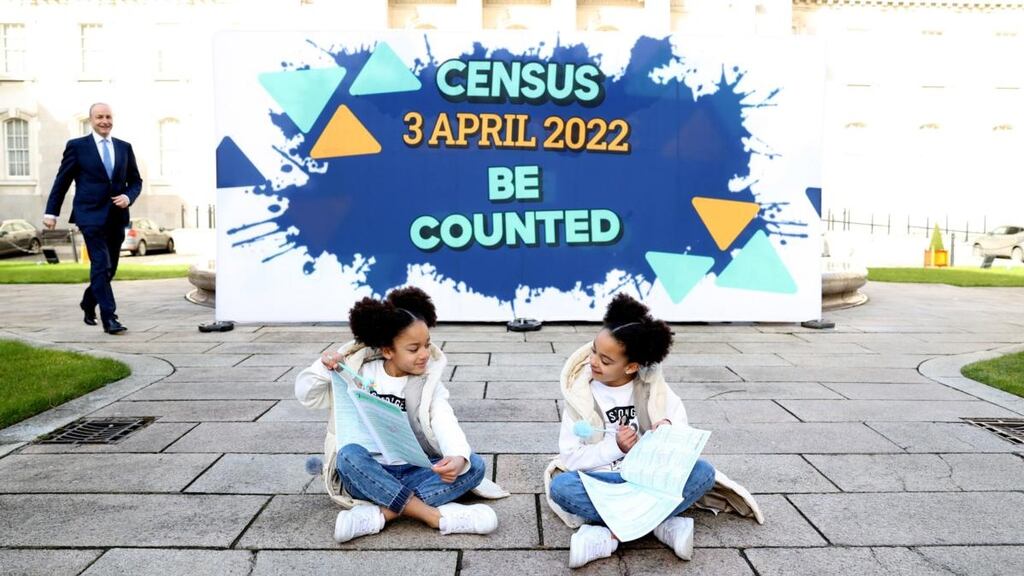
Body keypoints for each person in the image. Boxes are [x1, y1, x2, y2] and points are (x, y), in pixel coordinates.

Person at [544, 294, 762, 568]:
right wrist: (616, 448)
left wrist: (667, 429)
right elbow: (571, 458)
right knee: (562, 487)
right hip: (603, 483)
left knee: (703, 472)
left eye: (606, 360)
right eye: (593, 351)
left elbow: (682, 435)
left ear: (632, 366)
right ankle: (661, 524)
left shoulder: (653, 388)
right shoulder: (580, 395)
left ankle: (607, 535)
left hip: (650, 481)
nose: (594, 362)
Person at [295, 287, 506, 543]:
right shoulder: (361, 372)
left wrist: (457, 457)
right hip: (369, 470)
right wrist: (324, 364)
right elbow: (306, 395)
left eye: (427, 345)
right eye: (414, 348)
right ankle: (434, 516)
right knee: (348, 455)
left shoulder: (428, 382)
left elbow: (444, 418)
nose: (425, 354)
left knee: (475, 465)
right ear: (387, 351)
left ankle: (381, 514)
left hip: (415, 468)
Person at [44, 102, 142, 335]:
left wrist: (128, 197)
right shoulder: (77, 146)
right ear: (91, 120)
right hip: (89, 215)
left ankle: (89, 302)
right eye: (100, 117)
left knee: (110, 269)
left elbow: (136, 181)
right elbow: (62, 181)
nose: (104, 121)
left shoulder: (124, 147)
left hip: (117, 216)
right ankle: (110, 318)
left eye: (108, 116)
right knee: (101, 263)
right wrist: (51, 212)